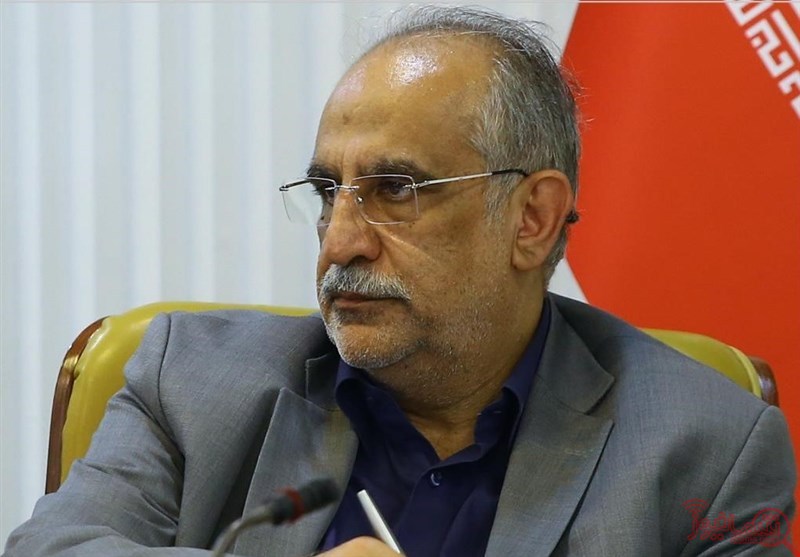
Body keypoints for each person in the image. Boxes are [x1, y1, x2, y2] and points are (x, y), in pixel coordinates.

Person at [5, 5, 796, 557]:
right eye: (328, 191)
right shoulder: (189, 380)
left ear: (532, 218)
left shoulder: (708, 447)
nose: (339, 242)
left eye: (396, 190)